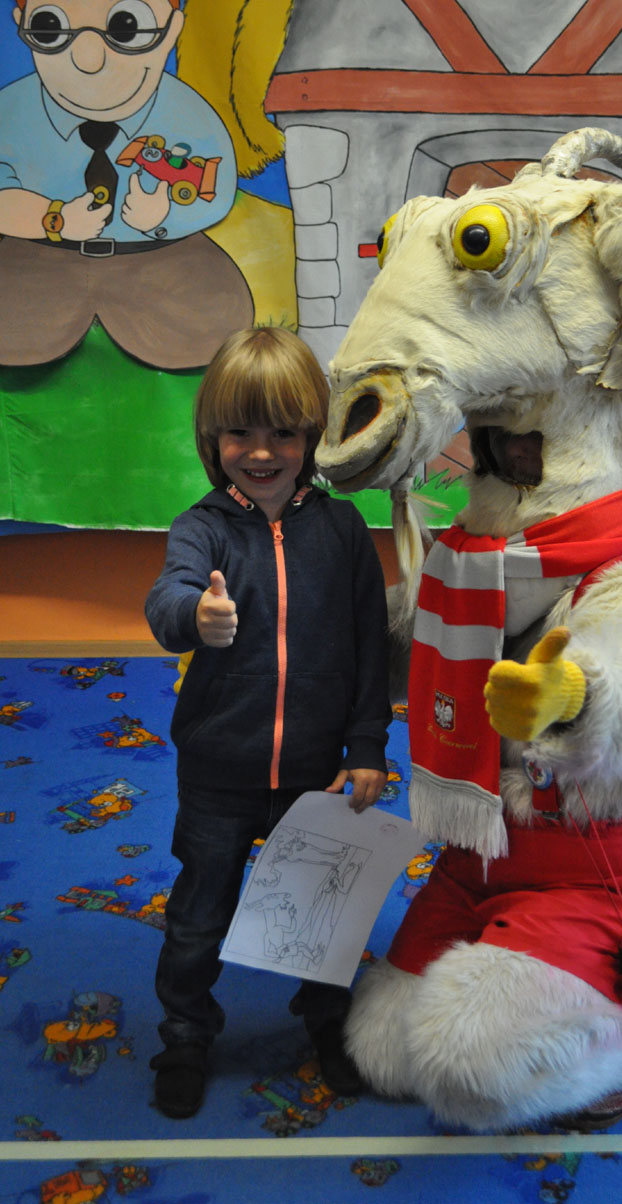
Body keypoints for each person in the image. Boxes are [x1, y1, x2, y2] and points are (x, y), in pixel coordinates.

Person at [145, 325, 391, 1118]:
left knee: (322, 913)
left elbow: (370, 650)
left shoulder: (344, 532)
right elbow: (167, 598)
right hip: (219, 773)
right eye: (240, 433)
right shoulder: (203, 527)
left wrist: (367, 748)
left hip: (316, 773)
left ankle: (326, 1023)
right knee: (198, 917)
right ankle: (186, 1034)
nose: (261, 452)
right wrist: (196, 615)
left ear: (314, 435)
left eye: (283, 432)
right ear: (212, 438)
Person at [0, 0, 253, 368]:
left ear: (172, 31)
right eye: (50, 27)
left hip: (160, 260)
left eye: (126, 27)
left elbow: (216, 187)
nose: (89, 60)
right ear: (21, 23)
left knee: (217, 321)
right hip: (39, 261)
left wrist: (163, 218)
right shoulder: (10, 111)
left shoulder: (191, 115)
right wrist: (53, 218)